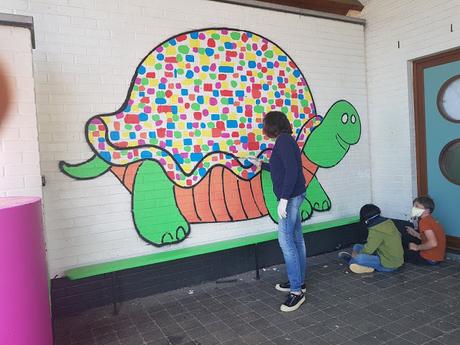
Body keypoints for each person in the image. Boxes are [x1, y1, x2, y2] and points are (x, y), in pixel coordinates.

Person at [250, 111, 306, 312]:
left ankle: (296, 292)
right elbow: (282, 168)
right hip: (293, 196)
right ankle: (298, 282)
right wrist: (262, 165)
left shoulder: (283, 142)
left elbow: (292, 171)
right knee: (296, 239)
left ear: (272, 126)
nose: (263, 129)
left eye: (265, 125)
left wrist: (283, 200)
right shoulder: (285, 141)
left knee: (286, 241)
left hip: (290, 198)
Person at [338, 204, 404, 273]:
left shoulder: (376, 229)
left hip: (388, 265)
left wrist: (356, 255)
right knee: (357, 246)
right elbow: (400, 235)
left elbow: (368, 250)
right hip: (394, 258)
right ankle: (367, 266)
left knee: (359, 258)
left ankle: (352, 261)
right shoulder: (388, 222)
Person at [403, 196, 446, 265]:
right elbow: (428, 237)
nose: (413, 208)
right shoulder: (430, 219)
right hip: (438, 257)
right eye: (413, 206)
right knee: (409, 243)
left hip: (429, 259)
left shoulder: (424, 222)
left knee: (399, 251)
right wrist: (415, 234)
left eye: (417, 206)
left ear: (427, 210)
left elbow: (433, 243)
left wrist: (417, 247)